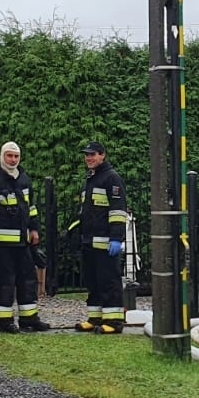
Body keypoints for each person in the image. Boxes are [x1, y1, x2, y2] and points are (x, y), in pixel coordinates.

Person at [0, 141, 49, 333]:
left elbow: (31, 209)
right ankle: (4, 322)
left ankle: (29, 319)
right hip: (0, 244)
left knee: (28, 280)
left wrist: (34, 229)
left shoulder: (24, 179)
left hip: (23, 244)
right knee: (5, 282)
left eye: (16, 156)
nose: (13, 160)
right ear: (2, 156)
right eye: (9, 156)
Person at [73, 141, 128, 334]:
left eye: (93, 154)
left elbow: (118, 211)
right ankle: (95, 317)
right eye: (87, 155)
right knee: (93, 281)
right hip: (89, 241)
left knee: (108, 281)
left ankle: (113, 322)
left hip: (106, 242)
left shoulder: (111, 178)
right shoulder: (91, 178)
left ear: (103, 155)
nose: (89, 158)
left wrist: (116, 238)